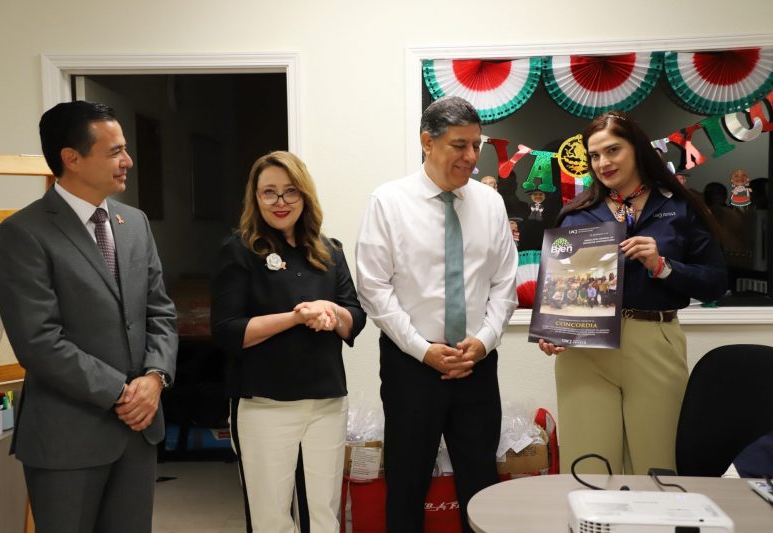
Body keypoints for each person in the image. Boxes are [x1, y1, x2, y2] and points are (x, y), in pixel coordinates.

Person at [0, 101, 178, 533]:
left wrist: (154, 378)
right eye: (115, 151)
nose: (127, 161)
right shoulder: (23, 233)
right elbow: (39, 341)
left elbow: (160, 311)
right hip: (66, 439)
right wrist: (122, 393)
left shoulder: (134, 222)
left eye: (125, 149)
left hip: (138, 432)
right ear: (71, 158)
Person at [356, 96, 518, 532]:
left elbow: (504, 283)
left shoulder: (490, 203)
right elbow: (373, 287)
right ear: (427, 142)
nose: (471, 157)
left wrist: (484, 341)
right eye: (459, 145)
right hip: (411, 367)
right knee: (407, 483)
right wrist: (422, 349)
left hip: (475, 364)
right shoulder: (388, 201)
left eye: (476, 145)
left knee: (480, 482)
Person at [538, 110, 726, 475]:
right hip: (585, 353)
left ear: (637, 149)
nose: (603, 163)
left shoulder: (680, 207)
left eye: (613, 150)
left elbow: (715, 283)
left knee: (659, 469)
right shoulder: (576, 215)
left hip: (653, 341)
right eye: (594, 155)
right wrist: (552, 331)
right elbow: (559, 295)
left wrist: (663, 266)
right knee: (588, 470)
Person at [211, 151, 366, 532]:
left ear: (305, 194)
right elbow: (228, 331)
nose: (280, 202)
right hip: (264, 404)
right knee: (271, 519)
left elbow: (354, 319)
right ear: (255, 197)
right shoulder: (239, 251)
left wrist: (331, 311)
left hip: (326, 402)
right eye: (269, 192)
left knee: (323, 515)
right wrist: (296, 317)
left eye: (290, 191)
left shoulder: (329, 251)